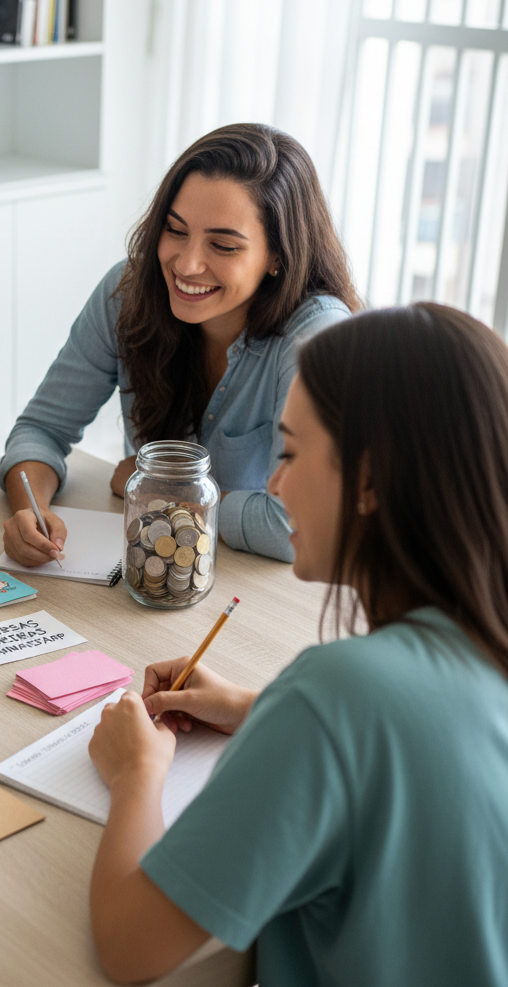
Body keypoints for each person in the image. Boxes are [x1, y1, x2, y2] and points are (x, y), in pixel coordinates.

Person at [87, 303, 508, 985]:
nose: (275, 484)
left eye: (288, 452)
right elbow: (422, 748)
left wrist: (137, 773)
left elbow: (131, 945)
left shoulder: (338, 696)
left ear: (370, 479)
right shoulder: (483, 644)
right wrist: (263, 708)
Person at [0, 124, 360, 566]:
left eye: (224, 246)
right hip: (157, 568)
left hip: (258, 589)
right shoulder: (126, 293)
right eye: (175, 230)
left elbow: (296, 526)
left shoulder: (317, 337)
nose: (187, 264)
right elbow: (40, 431)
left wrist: (159, 491)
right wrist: (29, 509)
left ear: (278, 256)